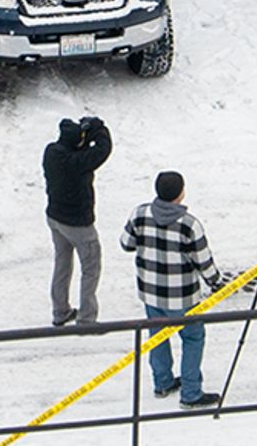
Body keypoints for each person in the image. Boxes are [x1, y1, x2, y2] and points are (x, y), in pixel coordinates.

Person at [119, 168, 224, 409]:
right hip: (183, 297)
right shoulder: (189, 225)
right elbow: (203, 261)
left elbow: (126, 244)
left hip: (150, 293)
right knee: (192, 337)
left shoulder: (140, 214)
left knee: (157, 336)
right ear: (180, 194)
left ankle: (163, 382)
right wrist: (216, 281)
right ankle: (191, 392)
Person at [41, 114, 113, 328]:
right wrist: (98, 128)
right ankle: (87, 318)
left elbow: (79, 150)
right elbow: (103, 149)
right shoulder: (78, 162)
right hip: (79, 225)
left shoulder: (52, 152)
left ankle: (60, 311)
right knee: (90, 269)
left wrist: (81, 135)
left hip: (54, 218)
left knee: (62, 264)